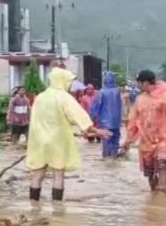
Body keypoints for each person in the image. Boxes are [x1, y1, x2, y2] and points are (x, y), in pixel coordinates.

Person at [27, 67, 112, 202]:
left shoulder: (40, 97)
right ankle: (57, 208)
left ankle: (33, 205)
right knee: (58, 174)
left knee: (37, 174)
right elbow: (79, 116)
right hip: (58, 140)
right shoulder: (64, 98)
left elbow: (33, 119)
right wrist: (97, 131)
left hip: (38, 140)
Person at [123, 70, 166, 192]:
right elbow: (133, 121)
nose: (137, 86)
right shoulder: (140, 99)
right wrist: (128, 140)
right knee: (149, 171)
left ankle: (163, 190)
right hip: (146, 140)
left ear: (145, 83)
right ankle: (154, 193)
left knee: (162, 163)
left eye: (139, 83)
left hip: (164, 138)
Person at [90, 71, 123, 159]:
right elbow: (121, 106)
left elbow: (96, 106)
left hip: (105, 122)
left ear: (105, 81)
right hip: (116, 122)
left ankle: (106, 160)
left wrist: (92, 119)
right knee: (115, 141)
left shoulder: (101, 92)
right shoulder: (117, 91)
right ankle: (114, 158)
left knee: (106, 142)